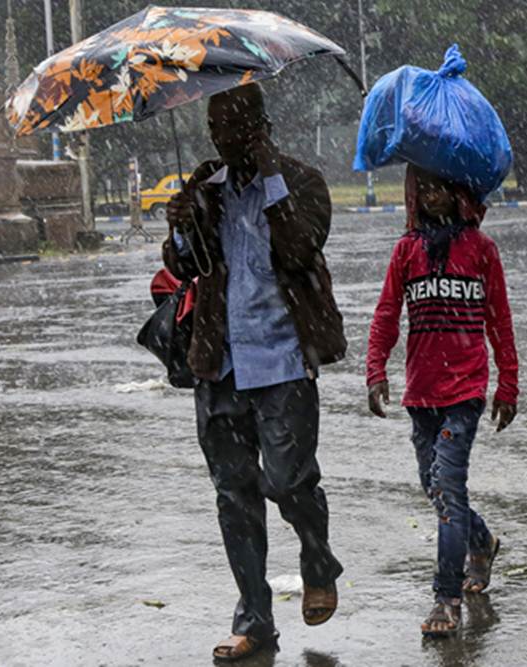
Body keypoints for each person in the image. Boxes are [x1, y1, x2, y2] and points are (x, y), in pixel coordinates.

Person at [161, 83, 346, 662]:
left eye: (233, 128)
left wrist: (269, 178)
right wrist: (181, 226)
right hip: (220, 363)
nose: (221, 139)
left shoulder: (302, 182)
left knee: (290, 481)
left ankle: (318, 561)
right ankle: (254, 620)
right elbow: (181, 265)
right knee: (233, 494)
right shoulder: (205, 189)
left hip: (285, 361)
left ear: (260, 128)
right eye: (214, 129)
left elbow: (297, 249)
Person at [365, 164, 519, 638]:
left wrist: (507, 385)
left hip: (465, 393)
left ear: (458, 193)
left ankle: (445, 597)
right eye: (423, 188)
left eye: (439, 188)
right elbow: (387, 314)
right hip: (421, 393)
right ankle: (482, 541)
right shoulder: (407, 251)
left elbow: (500, 321)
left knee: (448, 489)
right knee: (433, 487)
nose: (431, 196)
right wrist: (375, 371)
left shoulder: (480, 250)